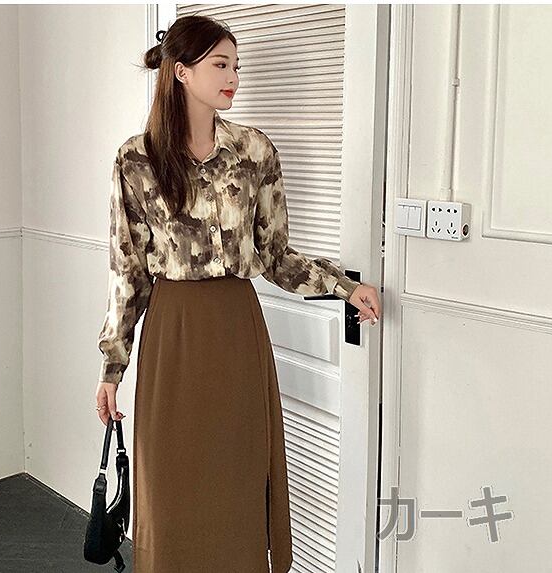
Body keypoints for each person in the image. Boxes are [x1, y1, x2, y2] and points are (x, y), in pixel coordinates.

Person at [94, 14, 381, 573]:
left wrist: (343, 287)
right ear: (181, 71)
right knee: (170, 488)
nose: (233, 78)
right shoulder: (136, 159)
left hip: (236, 331)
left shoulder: (254, 152)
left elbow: (274, 256)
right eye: (220, 65)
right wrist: (112, 368)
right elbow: (127, 273)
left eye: (236, 66)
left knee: (239, 479)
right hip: (173, 338)